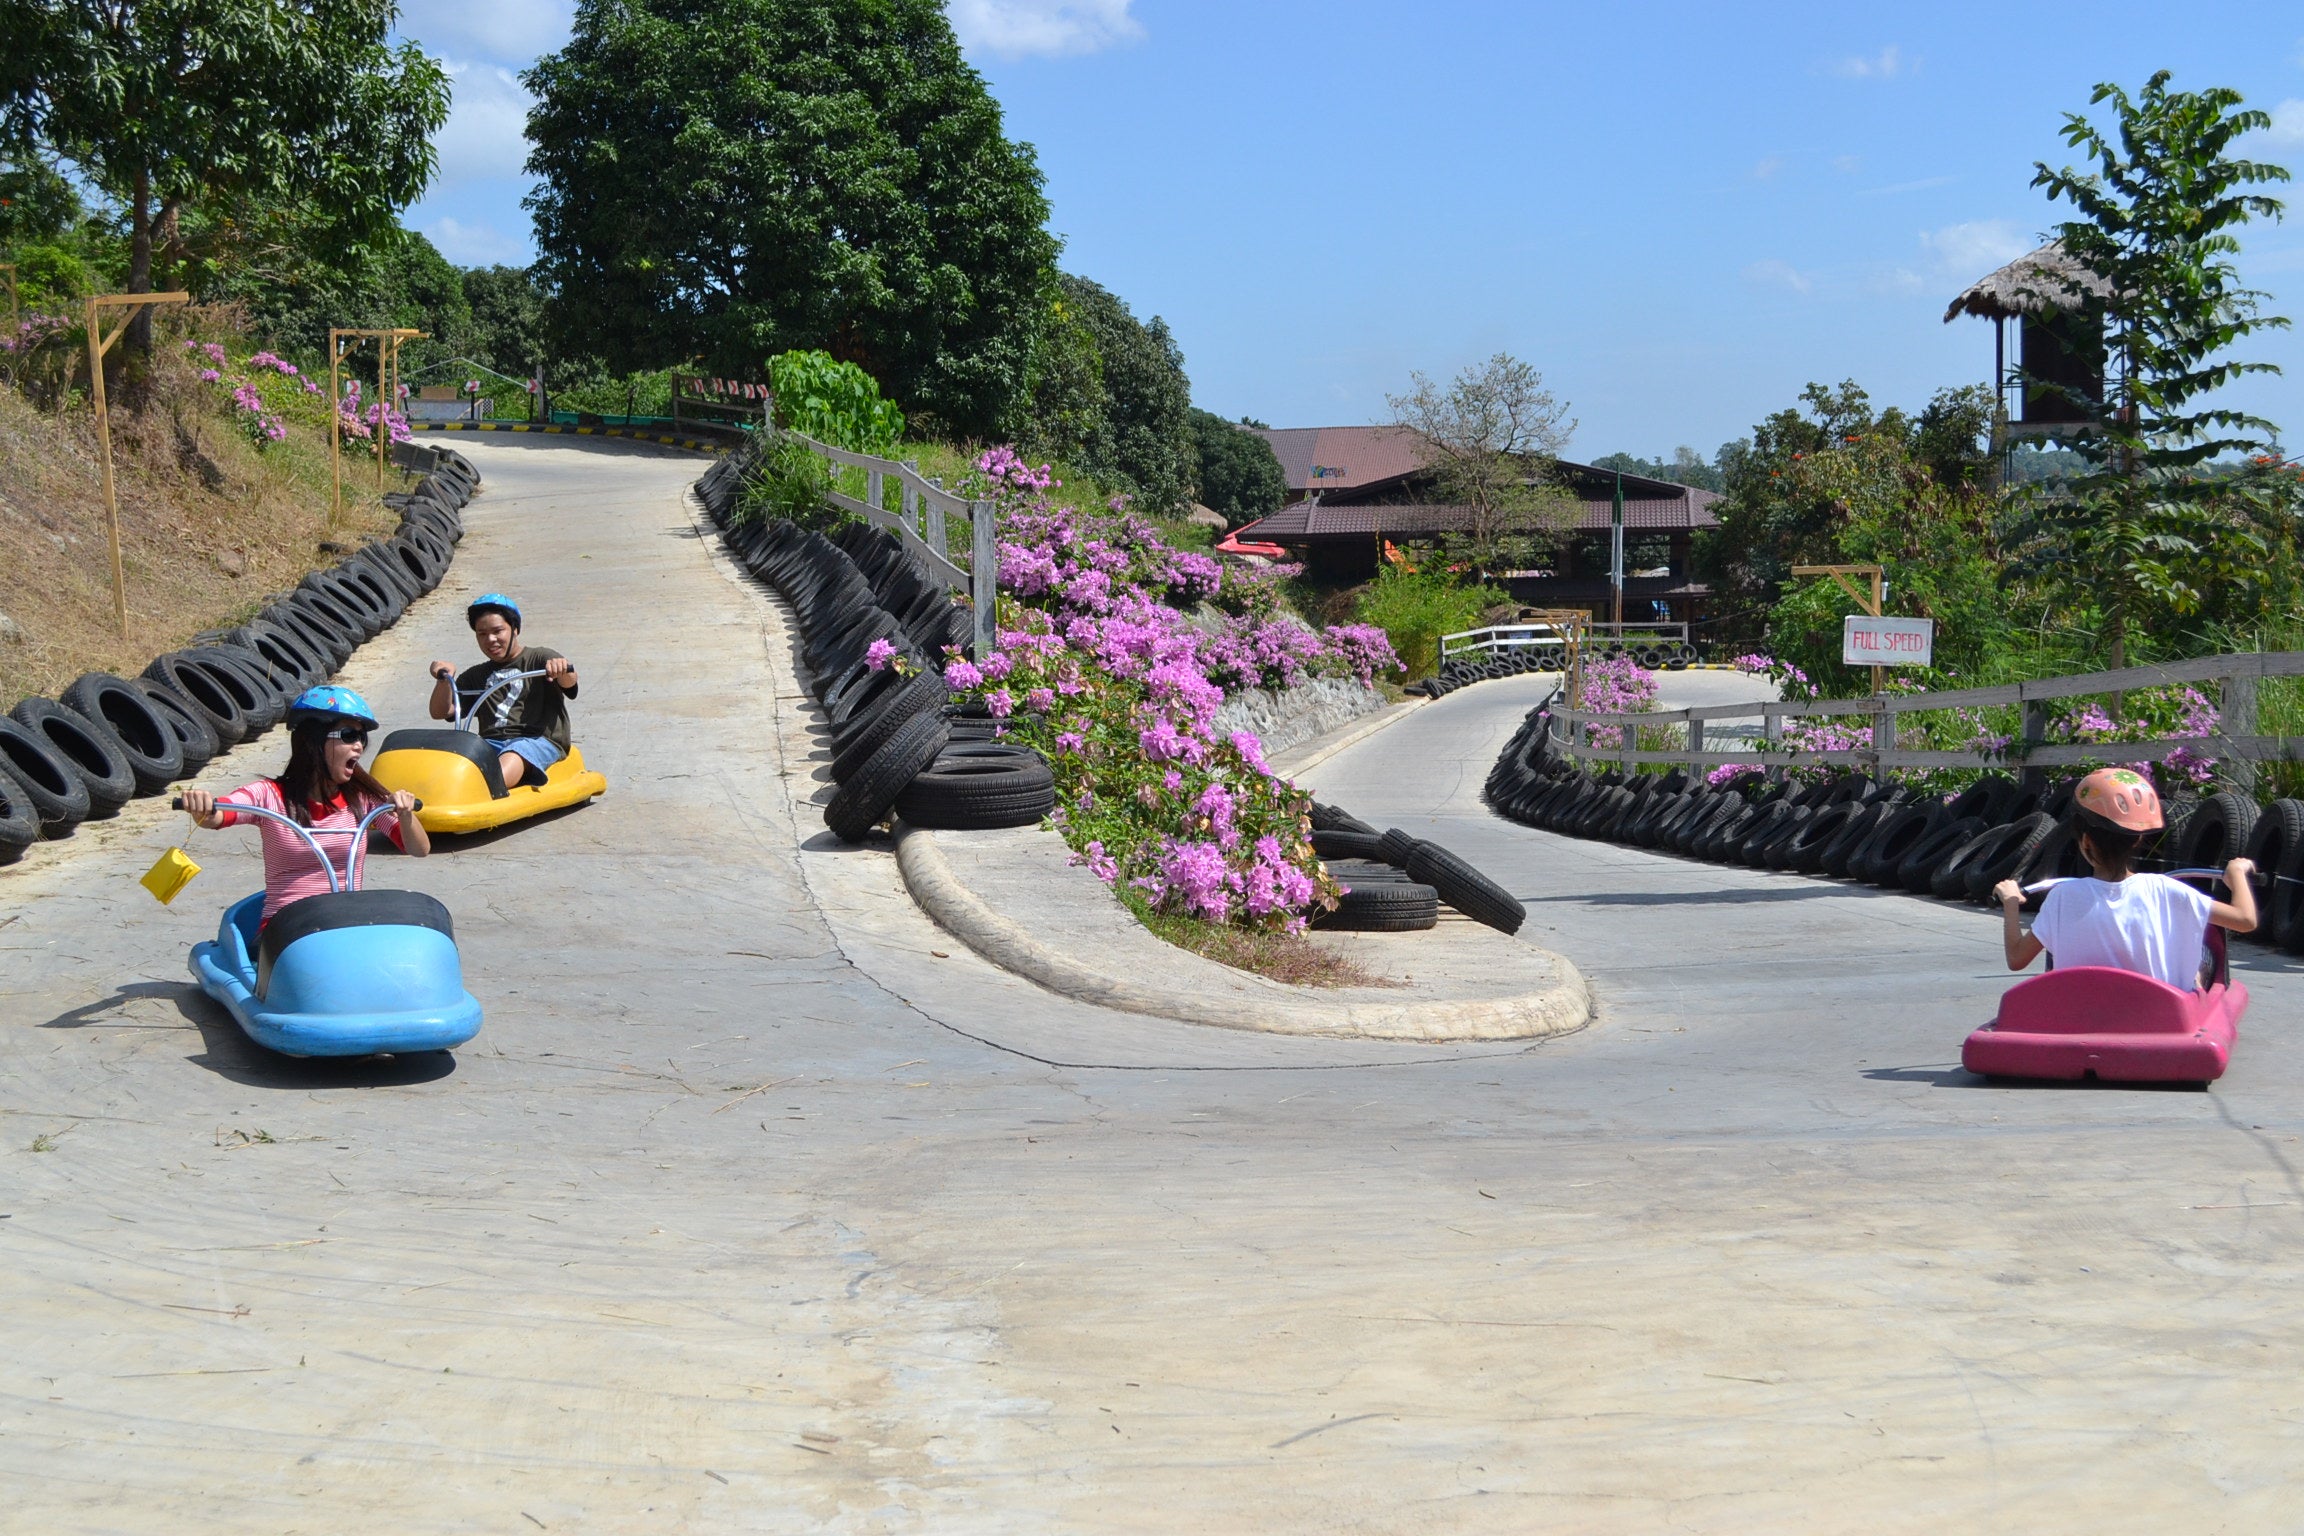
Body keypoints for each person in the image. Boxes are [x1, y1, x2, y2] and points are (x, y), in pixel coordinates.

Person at [180, 686, 429, 925]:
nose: (359, 746)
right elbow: (218, 814)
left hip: (344, 923)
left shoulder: (362, 798)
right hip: (287, 928)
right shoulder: (269, 796)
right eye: (348, 735)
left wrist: (406, 816)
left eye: (362, 737)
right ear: (313, 741)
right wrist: (203, 806)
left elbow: (419, 849)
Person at [1993, 767, 2256, 991]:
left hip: (2081, 1012)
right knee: (2204, 949)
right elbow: (2245, 920)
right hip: (2159, 1013)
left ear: (2085, 840)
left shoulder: (2061, 898)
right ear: (2139, 838)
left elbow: (2017, 959)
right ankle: (2195, 990)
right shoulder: (2166, 890)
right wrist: (2237, 875)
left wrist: (2011, 902)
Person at [427, 593, 578, 789]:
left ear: (515, 629)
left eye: (498, 631)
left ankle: (485, 789)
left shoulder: (539, 658)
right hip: (490, 743)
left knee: (517, 751)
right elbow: (440, 712)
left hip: (535, 741)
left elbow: (570, 684)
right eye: (482, 634)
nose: (491, 639)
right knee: (453, 756)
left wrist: (561, 668)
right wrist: (443, 680)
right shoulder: (475, 675)